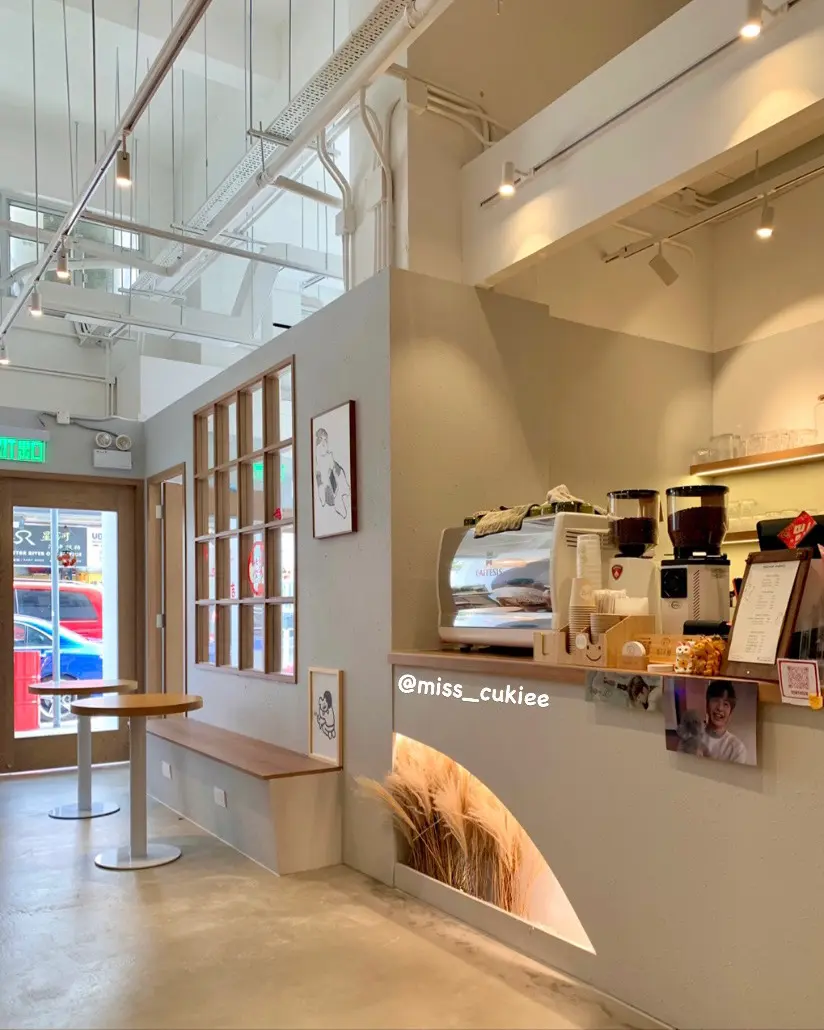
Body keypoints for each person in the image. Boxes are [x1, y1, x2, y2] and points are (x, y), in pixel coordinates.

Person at [700, 680, 747, 764]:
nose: (720, 708)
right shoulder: (692, 737)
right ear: (707, 705)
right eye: (716, 701)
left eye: (725, 704)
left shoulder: (737, 748)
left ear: (730, 712)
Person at [314, 427, 351, 520]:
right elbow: (322, 490)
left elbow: (338, 475)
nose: (324, 443)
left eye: (325, 440)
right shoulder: (318, 467)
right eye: (321, 440)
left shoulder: (331, 460)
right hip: (330, 497)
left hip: (337, 492)